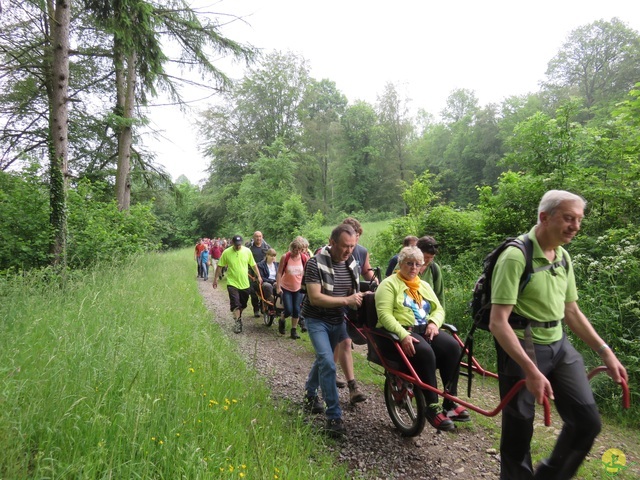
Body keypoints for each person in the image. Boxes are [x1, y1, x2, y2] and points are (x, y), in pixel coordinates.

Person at [489, 190, 627, 479]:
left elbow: (572, 312)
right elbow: (498, 322)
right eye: (568, 218)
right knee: (519, 432)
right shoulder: (516, 257)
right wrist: (530, 369)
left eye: (578, 219)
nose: (575, 226)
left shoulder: (563, 256)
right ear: (544, 217)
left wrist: (606, 351)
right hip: (523, 349)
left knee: (587, 422)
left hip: (559, 346)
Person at [375, 246, 469, 431]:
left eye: (418, 264)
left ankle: (450, 401)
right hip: (400, 332)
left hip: (426, 329)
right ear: (400, 263)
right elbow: (384, 315)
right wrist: (403, 334)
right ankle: (432, 406)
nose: (413, 268)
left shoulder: (423, 285)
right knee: (425, 353)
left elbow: (439, 309)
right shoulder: (388, 284)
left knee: (453, 348)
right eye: (409, 263)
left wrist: (434, 322)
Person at [302, 224, 364, 438]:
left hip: (339, 320)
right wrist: (346, 300)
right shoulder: (314, 263)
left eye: (352, 246)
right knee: (328, 362)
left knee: (323, 359)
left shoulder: (352, 263)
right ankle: (333, 416)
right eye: (345, 246)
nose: (348, 251)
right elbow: (315, 297)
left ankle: (310, 395)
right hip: (316, 319)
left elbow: (354, 290)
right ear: (332, 242)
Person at [332, 217, 373, 403]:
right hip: (336, 303)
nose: (354, 241)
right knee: (343, 342)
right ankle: (349, 384)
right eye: (351, 235)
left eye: (357, 236)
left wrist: (379, 284)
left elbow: (367, 272)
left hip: (354, 304)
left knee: (343, 342)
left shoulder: (362, 252)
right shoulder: (333, 252)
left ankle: (339, 377)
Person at [213, 235, 262, 334]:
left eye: (239, 244)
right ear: (232, 243)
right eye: (236, 245)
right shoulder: (226, 252)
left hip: (244, 283)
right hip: (232, 282)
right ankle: (238, 323)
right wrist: (215, 279)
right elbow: (219, 266)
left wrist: (259, 276)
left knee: (242, 304)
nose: (238, 246)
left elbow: (253, 264)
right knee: (235, 303)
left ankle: (237, 315)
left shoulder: (247, 251)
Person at [276, 237, 309, 339]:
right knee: (288, 310)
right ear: (292, 248)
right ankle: (282, 319)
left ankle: (293, 331)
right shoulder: (285, 257)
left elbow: (307, 273)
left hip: (298, 288)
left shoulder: (304, 258)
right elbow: (280, 272)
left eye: (299, 250)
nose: (297, 252)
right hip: (286, 287)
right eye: (295, 249)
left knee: (296, 309)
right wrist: (278, 286)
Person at [246, 231, 272, 318]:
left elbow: (271, 257)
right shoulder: (249, 248)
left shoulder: (267, 247)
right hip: (252, 272)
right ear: (253, 237)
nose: (258, 238)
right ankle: (256, 309)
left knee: (263, 289)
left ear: (262, 237)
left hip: (263, 272)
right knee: (253, 291)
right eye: (256, 236)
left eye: (260, 236)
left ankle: (263, 306)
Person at [416, 235, 445, 308]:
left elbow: (439, 295)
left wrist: (440, 317)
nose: (428, 260)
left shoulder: (434, 268)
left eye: (432, 257)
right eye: (426, 257)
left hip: (429, 314)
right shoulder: (405, 266)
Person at [256, 248, 279, 314]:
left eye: (274, 256)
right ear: (267, 255)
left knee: (280, 286)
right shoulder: (261, 265)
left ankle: (281, 303)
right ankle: (271, 304)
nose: (273, 258)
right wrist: (272, 281)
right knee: (267, 286)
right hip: (266, 282)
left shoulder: (276, 265)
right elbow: (262, 277)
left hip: (275, 282)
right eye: (271, 256)